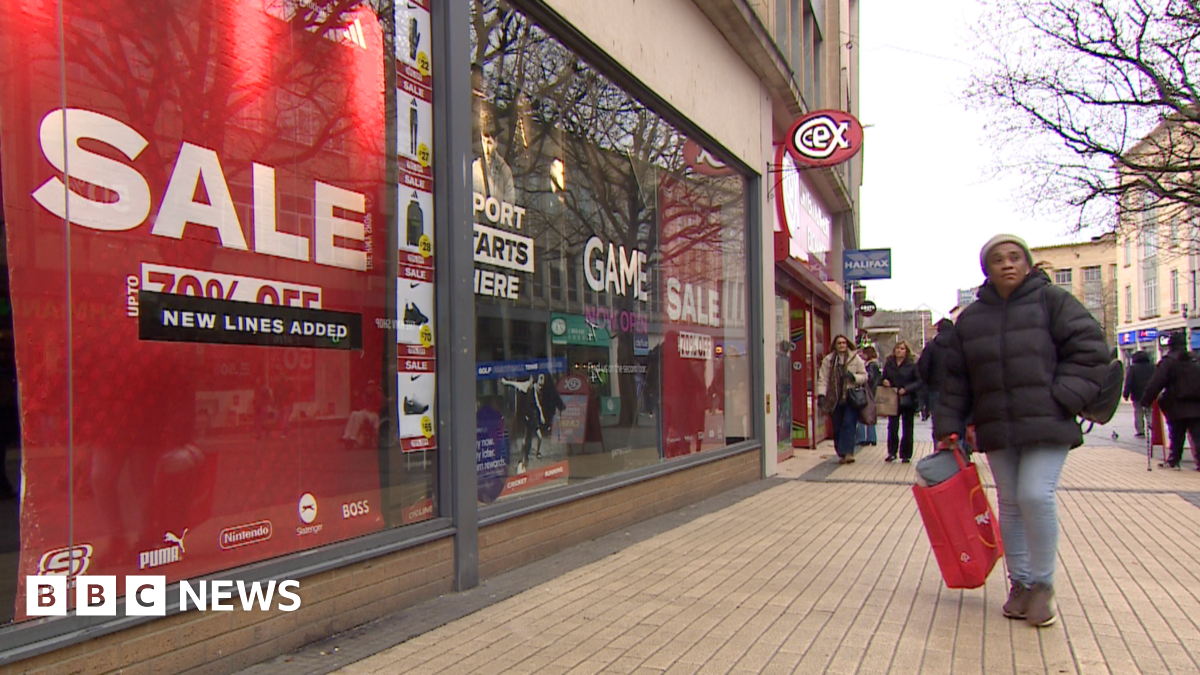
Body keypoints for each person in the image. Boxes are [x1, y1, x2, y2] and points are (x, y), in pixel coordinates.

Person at [934, 234, 1109, 628]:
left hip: (1047, 422)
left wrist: (1064, 396)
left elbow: (1092, 351)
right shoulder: (972, 320)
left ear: (1028, 264)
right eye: (998, 259)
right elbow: (956, 380)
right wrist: (949, 426)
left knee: (1035, 493)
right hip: (998, 425)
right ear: (987, 269)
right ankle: (1021, 585)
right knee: (1010, 504)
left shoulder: (1053, 302)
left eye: (1015, 257)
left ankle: (1043, 585)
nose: (1007, 264)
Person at [1138, 332, 1200, 469]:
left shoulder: (1168, 362)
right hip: (1196, 406)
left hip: (1176, 405)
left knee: (1176, 435)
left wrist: (1145, 401)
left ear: (1170, 346)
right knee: (1197, 436)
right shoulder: (1195, 360)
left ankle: (1174, 460)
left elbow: (1156, 383)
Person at [817, 335, 868, 464]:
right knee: (838, 425)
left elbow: (865, 376)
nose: (842, 345)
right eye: (839, 343)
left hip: (850, 397)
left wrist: (853, 377)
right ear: (835, 345)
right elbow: (823, 379)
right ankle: (841, 451)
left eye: (844, 343)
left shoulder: (855, 359)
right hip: (834, 398)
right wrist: (821, 395)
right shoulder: (828, 360)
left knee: (849, 423)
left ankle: (849, 452)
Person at [882, 341, 922, 463]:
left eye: (902, 348)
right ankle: (892, 452)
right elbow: (882, 377)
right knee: (892, 427)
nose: (899, 350)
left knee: (907, 427)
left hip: (907, 399)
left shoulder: (912, 365)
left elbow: (919, 382)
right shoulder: (889, 364)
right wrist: (884, 381)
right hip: (892, 398)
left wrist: (907, 389)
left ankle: (906, 454)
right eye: (897, 348)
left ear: (906, 351)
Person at [918, 318, 956, 429]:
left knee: (938, 423)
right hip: (956, 389)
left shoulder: (931, 346)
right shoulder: (959, 345)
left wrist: (928, 383)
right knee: (956, 421)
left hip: (936, 389)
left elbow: (922, 367)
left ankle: (940, 444)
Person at [1123, 350, 1155, 438]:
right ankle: (1152, 426)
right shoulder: (1152, 367)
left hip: (1137, 394)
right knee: (1150, 411)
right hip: (1150, 393)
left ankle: (1140, 431)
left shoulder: (1133, 368)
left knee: (1138, 412)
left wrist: (1126, 393)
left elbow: (1128, 381)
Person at [857, 346, 881, 447]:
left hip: (867, 393)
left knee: (863, 414)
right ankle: (871, 438)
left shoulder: (870, 365)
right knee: (870, 415)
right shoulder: (876, 365)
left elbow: (869, 378)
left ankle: (862, 438)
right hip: (872, 392)